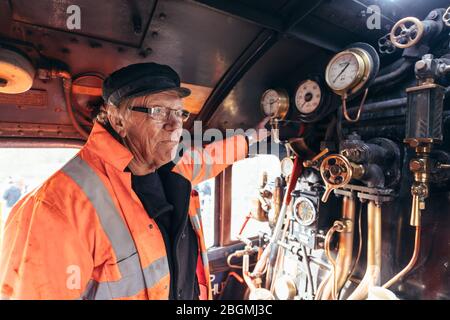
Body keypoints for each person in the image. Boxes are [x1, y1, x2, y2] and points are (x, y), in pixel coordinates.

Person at [0, 62, 269, 300]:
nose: (175, 125)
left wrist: (251, 139)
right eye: (159, 112)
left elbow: (210, 159)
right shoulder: (55, 208)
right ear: (118, 119)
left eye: (179, 113)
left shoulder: (170, 170)